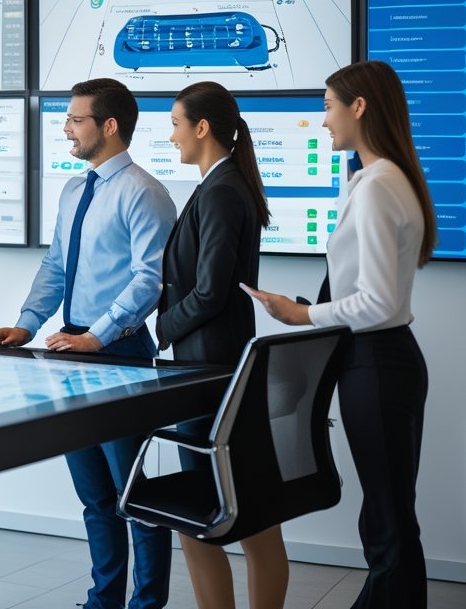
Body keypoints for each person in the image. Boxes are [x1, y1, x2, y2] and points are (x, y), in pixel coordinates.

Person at [245, 60, 436, 609]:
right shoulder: (380, 178)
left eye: (329, 106)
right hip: (382, 361)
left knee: (387, 519)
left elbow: (377, 303)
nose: (323, 120)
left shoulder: (378, 186)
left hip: (376, 364)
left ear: (359, 107)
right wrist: (312, 308)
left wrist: (300, 315)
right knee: (389, 512)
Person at [0, 78, 176, 609]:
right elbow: (55, 267)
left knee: (134, 497)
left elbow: (149, 279)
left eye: (75, 119)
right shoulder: (74, 189)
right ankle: (103, 601)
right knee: (95, 497)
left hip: (121, 355)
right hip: (71, 353)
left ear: (108, 126)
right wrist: (26, 323)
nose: (66, 127)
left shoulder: (145, 192)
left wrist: (99, 334)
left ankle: (146, 604)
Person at [155, 81, 287, 609]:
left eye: (175, 124)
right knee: (231, 509)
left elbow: (210, 292)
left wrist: (162, 329)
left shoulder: (223, 190)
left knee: (220, 510)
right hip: (215, 368)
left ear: (201, 127)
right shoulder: (221, 184)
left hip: (211, 374)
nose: (171, 137)